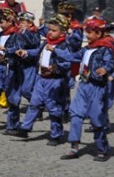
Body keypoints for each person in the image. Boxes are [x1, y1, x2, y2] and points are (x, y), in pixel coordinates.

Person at [57, 18, 114, 162]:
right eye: (87, 32)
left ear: (99, 33)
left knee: (96, 119)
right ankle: (74, 147)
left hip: (96, 88)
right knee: (76, 115)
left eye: (90, 32)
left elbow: (111, 63)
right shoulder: (86, 49)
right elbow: (72, 56)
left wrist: (105, 69)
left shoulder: (105, 49)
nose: (87, 35)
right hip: (83, 86)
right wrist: (55, 50)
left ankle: (102, 148)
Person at [12, 14, 72, 145]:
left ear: (62, 32)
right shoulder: (46, 42)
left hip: (54, 81)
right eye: (49, 29)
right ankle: (25, 128)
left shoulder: (64, 46)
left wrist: (54, 67)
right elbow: (38, 52)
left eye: (53, 30)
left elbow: (68, 63)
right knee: (34, 103)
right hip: (41, 78)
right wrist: (26, 52)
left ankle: (56, 134)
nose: (49, 32)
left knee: (53, 108)